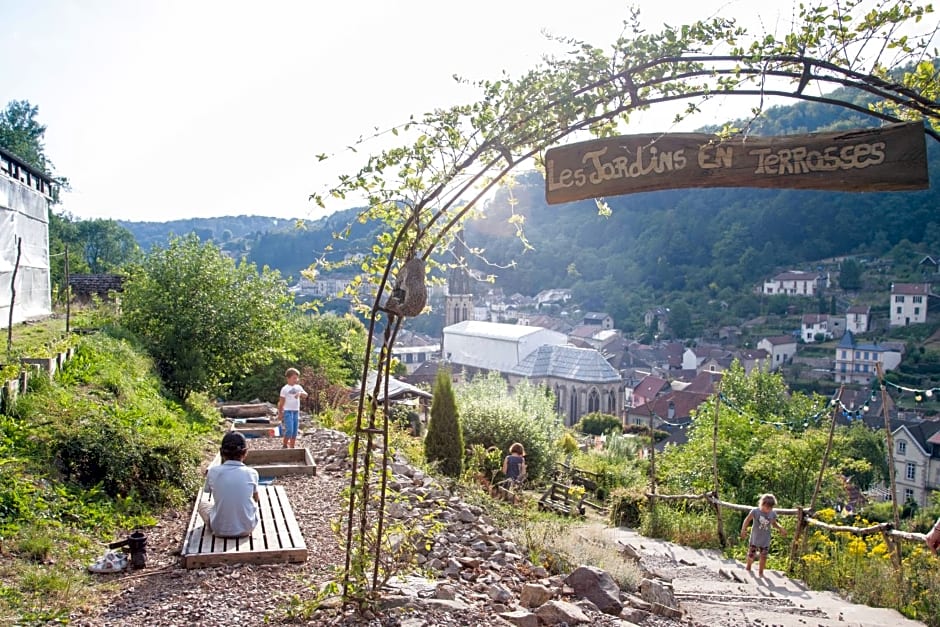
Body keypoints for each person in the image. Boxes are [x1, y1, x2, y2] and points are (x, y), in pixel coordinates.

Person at [198, 432, 259, 538]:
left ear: (221, 452)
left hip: (219, 529)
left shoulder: (213, 471)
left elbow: (208, 490)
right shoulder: (252, 473)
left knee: (203, 504)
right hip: (247, 528)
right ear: (245, 453)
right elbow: (256, 498)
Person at [740, 493, 788, 576]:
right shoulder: (755, 511)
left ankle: (761, 572)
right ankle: (748, 568)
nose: (768, 509)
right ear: (762, 504)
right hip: (755, 538)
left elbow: (773, 523)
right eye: (767, 507)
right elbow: (747, 520)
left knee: (764, 556)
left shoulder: (772, 513)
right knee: (751, 554)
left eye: (771, 508)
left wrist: (780, 528)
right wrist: (743, 530)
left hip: (765, 539)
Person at [278, 367, 308, 449]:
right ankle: (284, 444)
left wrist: (300, 393)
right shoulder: (285, 389)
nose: (296, 380)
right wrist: (280, 413)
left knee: (295, 431)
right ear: (288, 378)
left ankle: (292, 446)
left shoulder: (298, 387)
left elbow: (306, 395)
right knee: (289, 430)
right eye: (294, 378)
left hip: (296, 411)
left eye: (297, 378)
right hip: (287, 411)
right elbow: (281, 402)